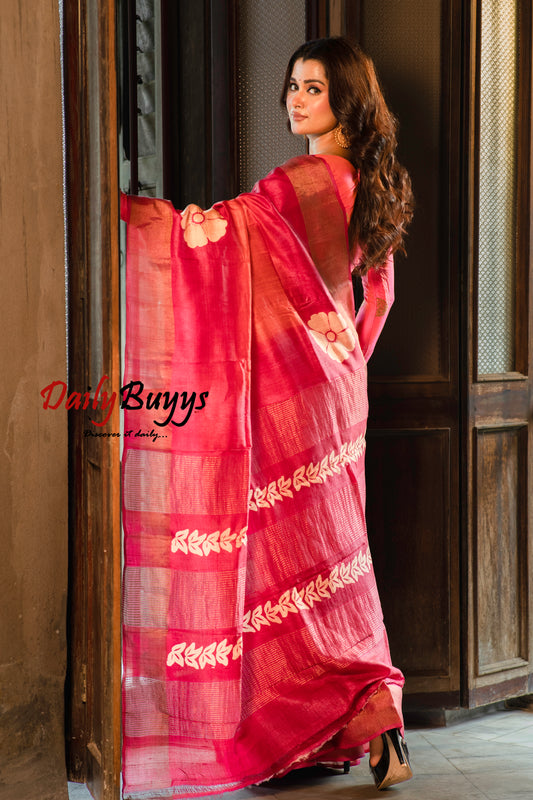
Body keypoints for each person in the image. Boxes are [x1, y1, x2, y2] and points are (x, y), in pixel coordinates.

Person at [120, 36, 414, 799]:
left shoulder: (301, 180)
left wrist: (132, 216)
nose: (296, 99)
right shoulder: (369, 183)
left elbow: (209, 241)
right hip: (335, 389)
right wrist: (341, 365)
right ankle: (363, 716)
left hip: (286, 393)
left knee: (280, 565)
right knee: (331, 564)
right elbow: (377, 298)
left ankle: (299, 733)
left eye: (314, 87)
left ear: (346, 98)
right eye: (293, 85)